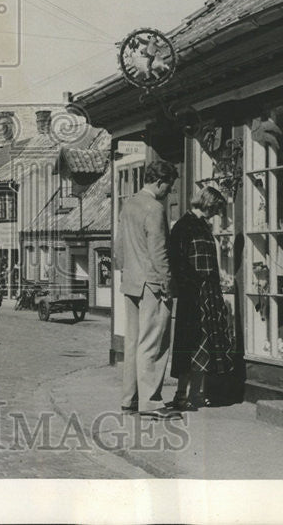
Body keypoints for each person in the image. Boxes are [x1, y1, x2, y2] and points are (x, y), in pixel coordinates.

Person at [117, 159, 180, 419]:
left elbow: (119, 246)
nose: (169, 192)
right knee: (153, 344)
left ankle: (129, 399)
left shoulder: (129, 204)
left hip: (131, 281)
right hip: (152, 284)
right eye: (169, 186)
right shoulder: (154, 208)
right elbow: (159, 252)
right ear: (159, 182)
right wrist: (166, 283)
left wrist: (127, 271)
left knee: (132, 342)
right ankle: (151, 403)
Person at [168, 186, 236, 409]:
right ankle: (181, 395)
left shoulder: (202, 226)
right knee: (190, 345)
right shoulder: (184, 226)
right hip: (194, 295)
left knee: (206, 346)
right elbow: (177, 263)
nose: (217, 214)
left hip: (210, 293)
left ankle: (197, 394)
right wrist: (192, 287)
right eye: (216, 209)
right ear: (208, 204)